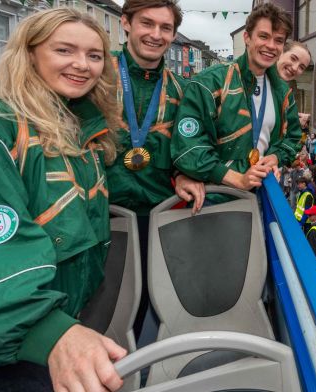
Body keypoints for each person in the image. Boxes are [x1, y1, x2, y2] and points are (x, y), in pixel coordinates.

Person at [0, 8, 126, 391]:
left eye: (94, 56)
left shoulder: (82, 130)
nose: (82, 65)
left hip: (44, 339)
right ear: (29, 54)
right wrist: (53, 334)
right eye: (64, 50)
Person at [109, 0, 206, 343]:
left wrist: (182, 174)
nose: (155, 34)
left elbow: (184, 148)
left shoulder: (182, 90)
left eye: (165, 28)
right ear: (126, 23)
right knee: (101, 311)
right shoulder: (97, 76)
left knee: (143, 309)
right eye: (146, 23)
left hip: (156, 220)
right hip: (99, 219)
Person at [171, 3, 301, 193]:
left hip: (260, 194)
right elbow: (188, 148)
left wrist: (275, 157)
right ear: (247, 37)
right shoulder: (210, 82)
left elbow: (293, 137)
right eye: (263, 36)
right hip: (215, 198)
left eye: (278, 40)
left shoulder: (282, 91)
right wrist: (238, 179)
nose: (271, 46)